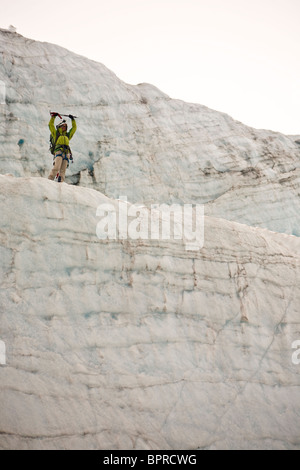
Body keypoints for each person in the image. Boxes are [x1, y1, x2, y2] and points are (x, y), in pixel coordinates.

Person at [48, 112, 77, 182]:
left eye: (65, 126)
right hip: (59, 151)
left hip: (66, 153)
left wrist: (73, 120)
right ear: (59, 127)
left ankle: (61, 183)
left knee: (63, 170)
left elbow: (74, 129)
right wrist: (53, 117)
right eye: (63, 126)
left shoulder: (67, 135)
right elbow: (50, 125)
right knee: (56, 167)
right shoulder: (56, 134)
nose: (64, 127)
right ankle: (49, 180)